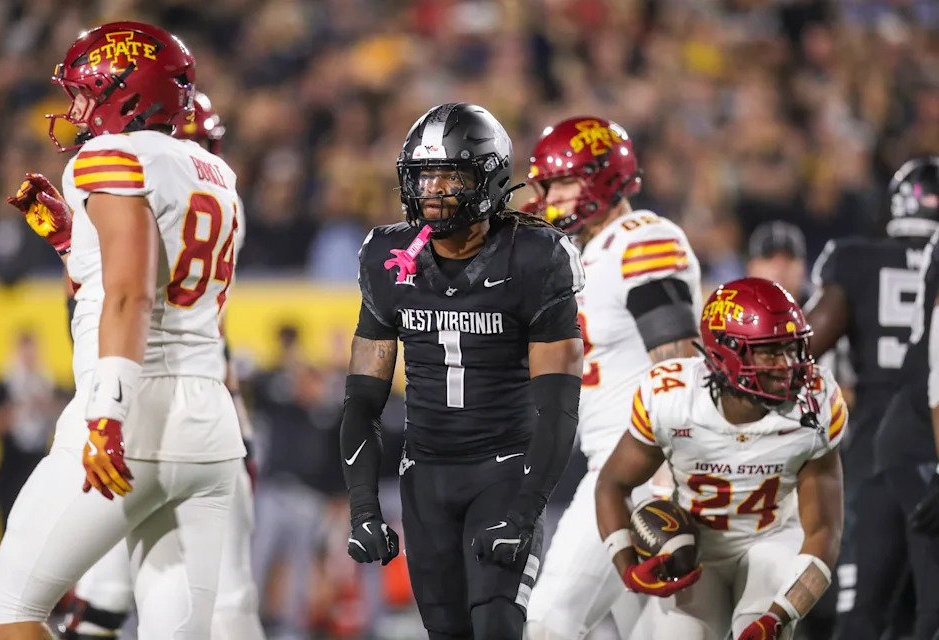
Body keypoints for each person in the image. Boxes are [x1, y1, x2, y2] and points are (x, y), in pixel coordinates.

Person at [0, 22, 245, 640]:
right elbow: (149, 275)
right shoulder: (214, 172)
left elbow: (129, 293)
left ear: (124, 90)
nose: (73, 108)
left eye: (82, 91)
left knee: (7, 611)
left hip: (134, 410)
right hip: (208, 426)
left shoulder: (111, 155)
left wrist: (108, 414)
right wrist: (74, 239)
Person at [340, 102, 584, 640]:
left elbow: (559, 403)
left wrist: (524, 510)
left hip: (504, 470)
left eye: (452, 175)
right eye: (424, 176)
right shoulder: (387, 257)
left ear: (491, 179)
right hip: (424, 477)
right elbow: (362, 399)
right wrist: (362, 506)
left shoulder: (535, 257)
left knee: (497, 624)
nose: (434, 190)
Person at [53, 92, 264, 640]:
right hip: (209, 419)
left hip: (131, 418)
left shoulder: (136, 180)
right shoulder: (225, 196)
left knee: (90, 600)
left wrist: (72, 245)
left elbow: (120, 302)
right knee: (225, 601)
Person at [521, 116, 702, 640]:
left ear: (601, 177)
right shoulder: (587, 255)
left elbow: (679, 360)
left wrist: (671, 473)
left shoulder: (638, 239)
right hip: (622, 467)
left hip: (644, 469)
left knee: (550, 620)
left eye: (561, 182)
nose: (549, 196)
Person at [596, 277, 846, 640]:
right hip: (695, 547)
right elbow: (612, 484)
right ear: (726, 352)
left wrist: (779, 616)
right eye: (772, 351)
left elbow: (825, 531)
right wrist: (627, 566)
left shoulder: (816, 405)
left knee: (761, 627)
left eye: (793, 349)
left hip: (772, 541)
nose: (789, 365)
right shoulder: (672, 398)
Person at [807, 157, 938, 636]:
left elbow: (803, 343)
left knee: (863, 612)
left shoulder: (855, 258)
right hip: (926, 439)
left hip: (878, 446)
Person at [747, 221, 808, 304]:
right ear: (751, 268)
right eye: (769, 257)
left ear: (803, 268)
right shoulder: (731, 313)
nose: (780, 267)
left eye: (789, 257)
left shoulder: (823, 312)